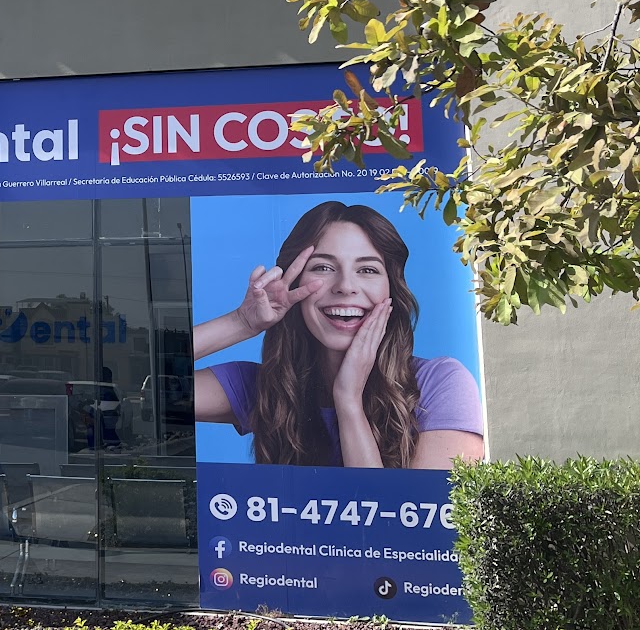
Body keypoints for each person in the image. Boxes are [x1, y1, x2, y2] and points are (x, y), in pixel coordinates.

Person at [193, 201, 484, 470]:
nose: (345, 286)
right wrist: (242, 322)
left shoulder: (440, 384)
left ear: (392, 290)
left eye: (367, 269)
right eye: (323, 267)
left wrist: (348, 401)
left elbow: (392, 510)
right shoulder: (266, 386)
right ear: (294, 285)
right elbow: (164, 390)